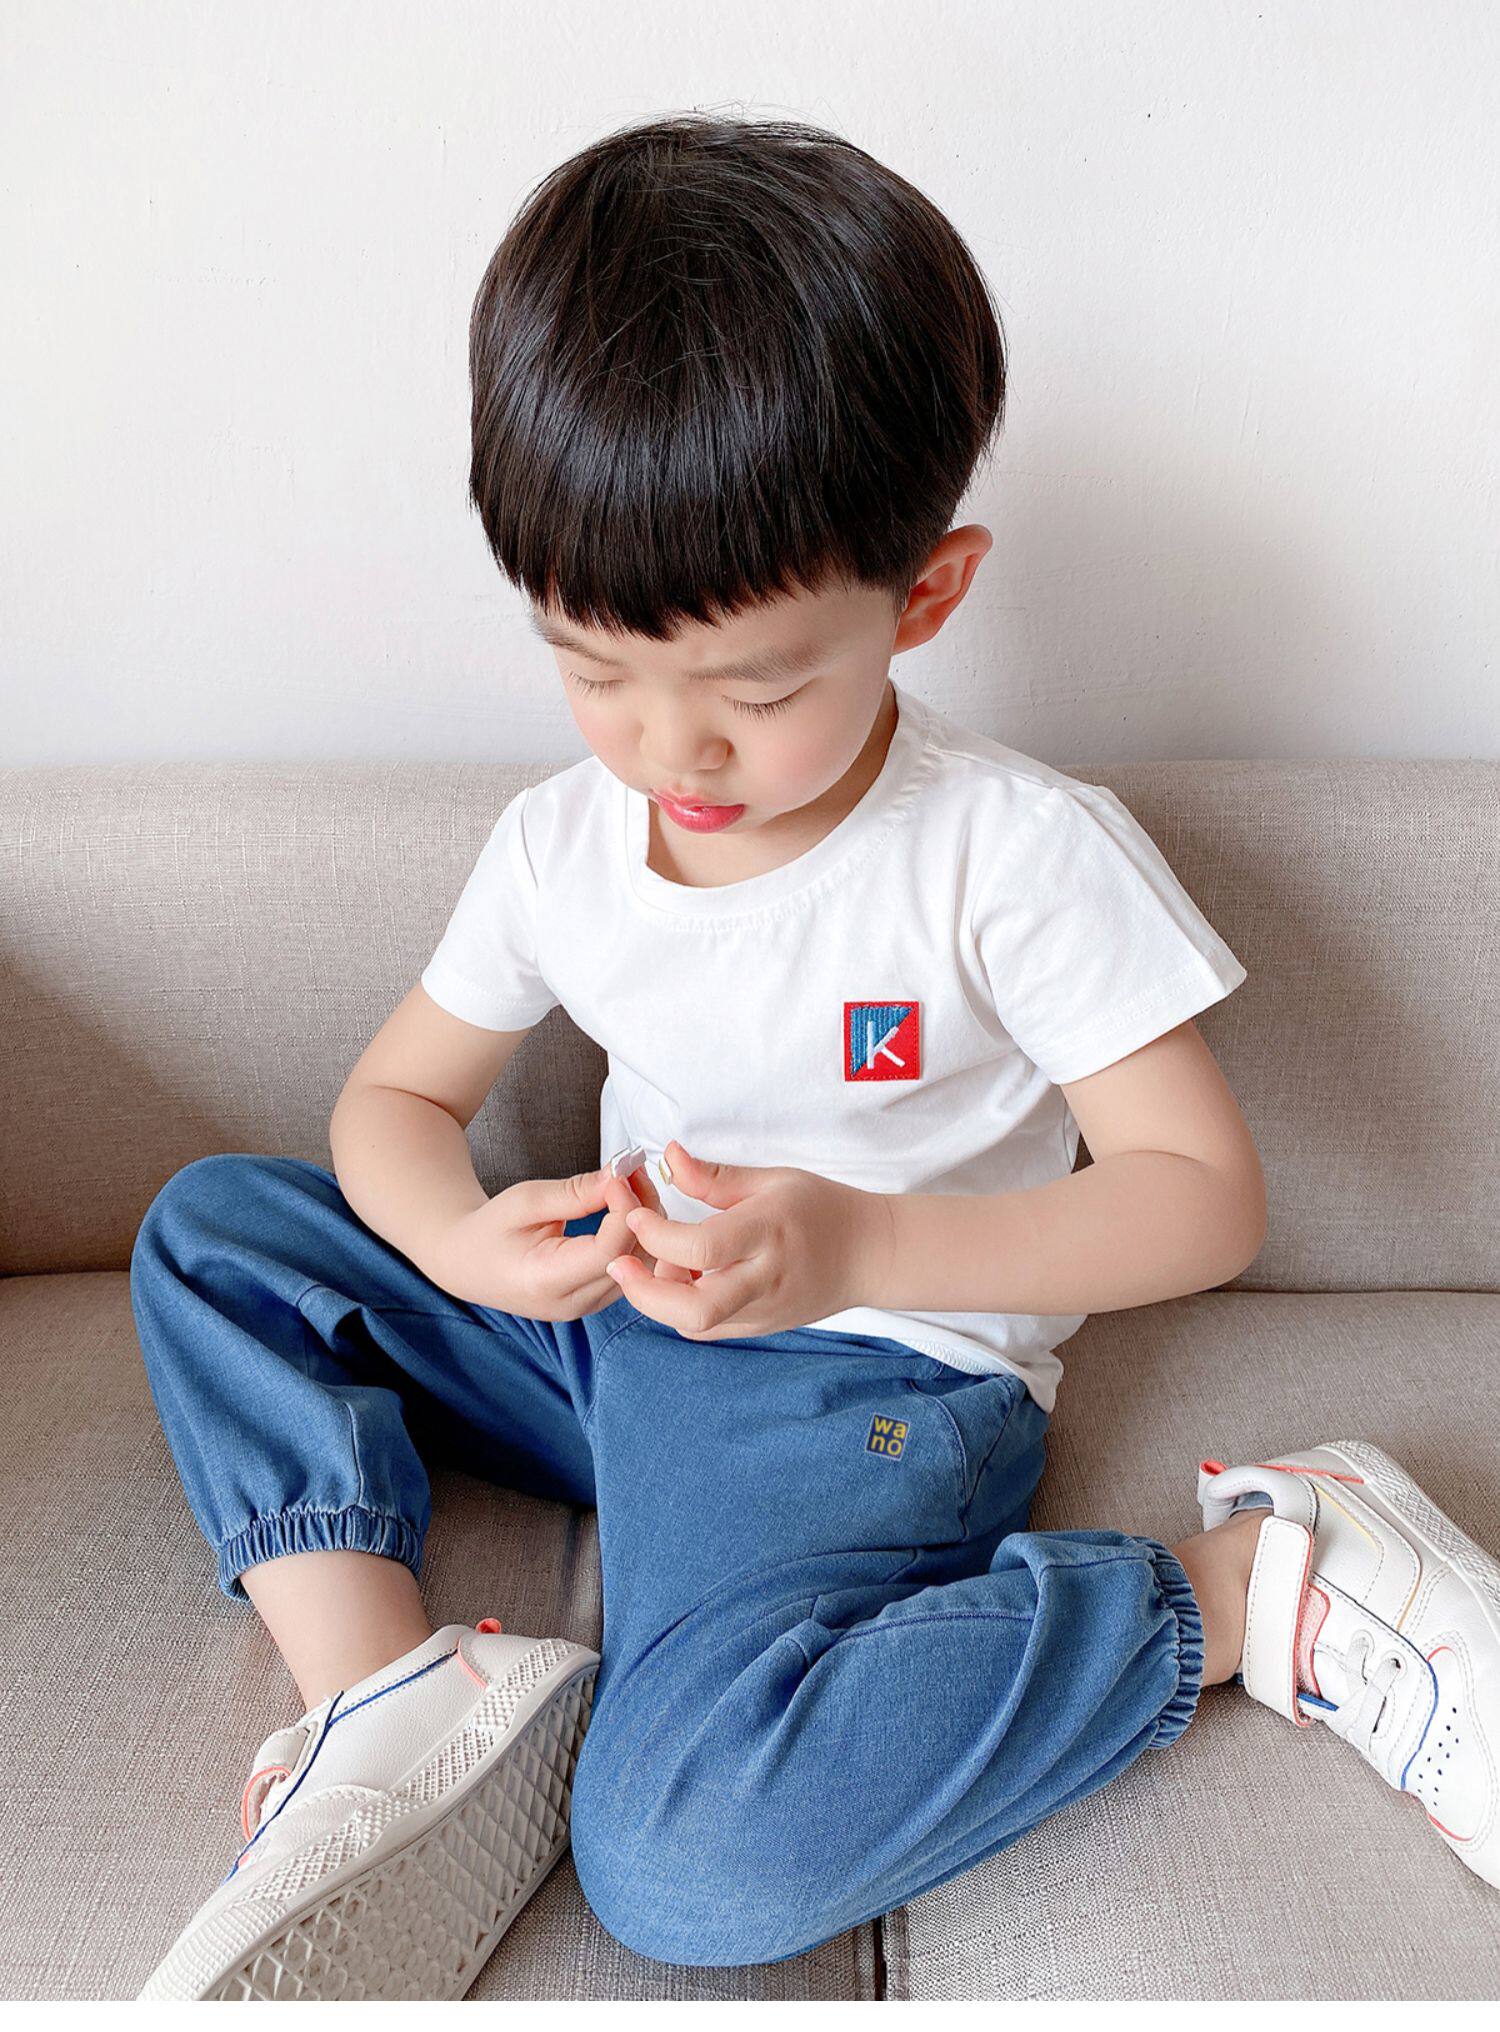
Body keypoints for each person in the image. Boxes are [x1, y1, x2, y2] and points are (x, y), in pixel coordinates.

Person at [129, 113, 1500, 2001]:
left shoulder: (1009, 854)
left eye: (755, 688)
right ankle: (389, 1707)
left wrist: (857, 1245)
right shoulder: (561, 844)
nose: (667, 751)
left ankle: (1266, 1585)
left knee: (687, 1863)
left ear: (925, 595)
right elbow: (396, 1102)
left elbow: (1201, 1199)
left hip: (862, 1378)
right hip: (609, 1322)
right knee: (218, 1233)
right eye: (593, 667)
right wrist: (456, 1240)